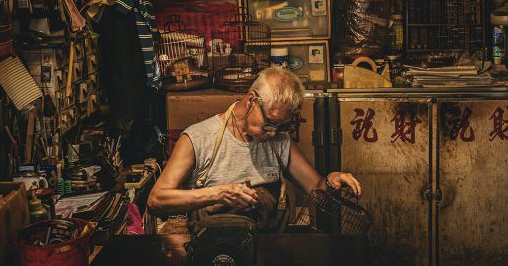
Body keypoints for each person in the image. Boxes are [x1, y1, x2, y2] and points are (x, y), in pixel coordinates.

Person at [148, 67, 361, 226]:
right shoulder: (199, 138)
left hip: (269, 250)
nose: (273, 132)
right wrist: (218, 193)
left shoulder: (280, 143)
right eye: (269, 122)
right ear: (251, 100)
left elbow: (317, 189)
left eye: (281, 126)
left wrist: (332, 180)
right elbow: (157, 199)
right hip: (212, 252)